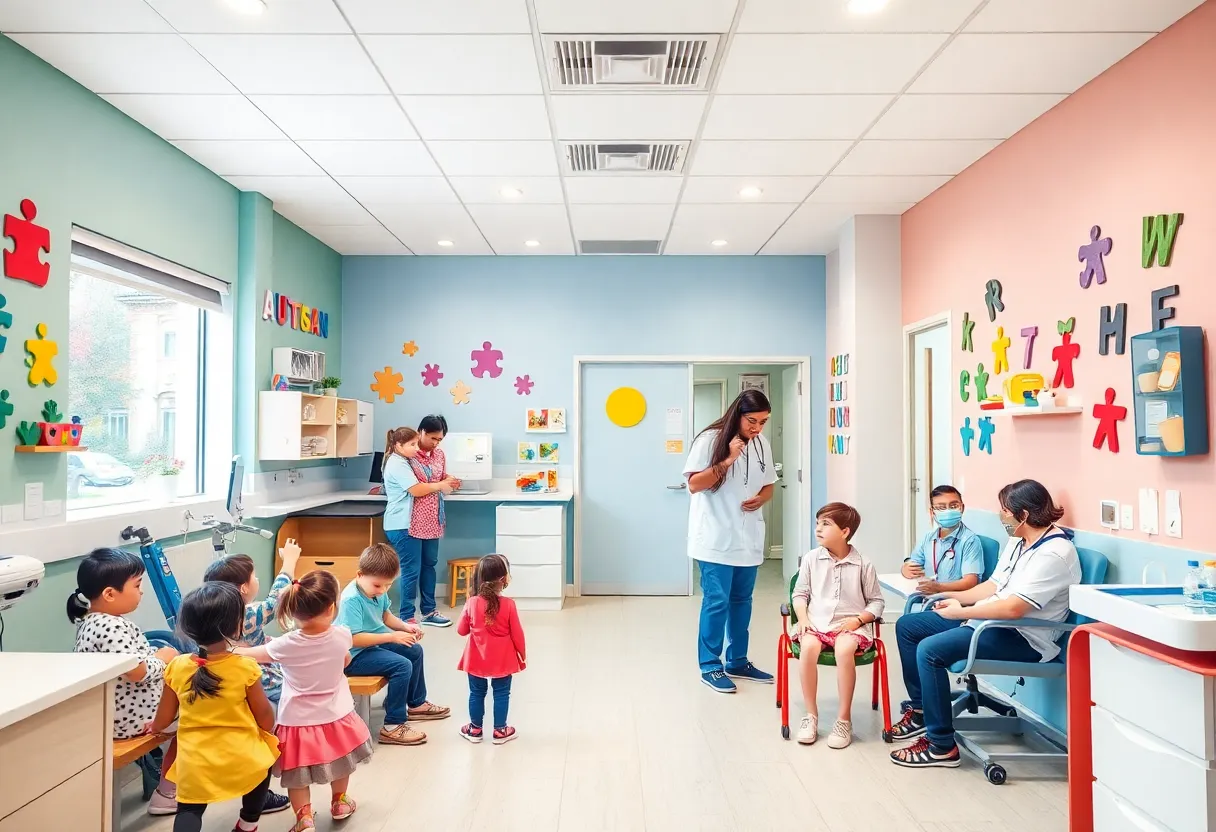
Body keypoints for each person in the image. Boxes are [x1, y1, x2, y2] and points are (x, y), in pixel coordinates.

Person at [889, 479, 1081, 769]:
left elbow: (1014, 608)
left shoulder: (1054, 554)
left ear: (1023, 515)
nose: (1000, 515)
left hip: (1022, 636)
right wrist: (950, 597)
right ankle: (921, 712)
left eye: (1004, 510)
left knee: (930, 650)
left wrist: (960, 614)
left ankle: (941, 746)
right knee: (908, 627)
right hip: (990, 621)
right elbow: (992, 586)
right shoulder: (1019, 541)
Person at [239, 570, 373, 832]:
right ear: (331, 607)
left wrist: (231, 651)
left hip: (297, 721)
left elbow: (253, 655)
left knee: (297, 775)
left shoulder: (285, 644)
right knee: (341, 761)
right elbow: (345, 660)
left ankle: (304, 818)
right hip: (337, 715)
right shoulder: (342, 635)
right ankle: (340, 802)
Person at [148, 582, 279, 832]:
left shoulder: (177, 666)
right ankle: (247, 824)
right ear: (237, 625)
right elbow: (265, 718)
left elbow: (163, 720)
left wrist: (153, 727)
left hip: (195, 761)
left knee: (189, 810)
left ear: (188, 627)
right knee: (264, 761)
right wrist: (267, 731)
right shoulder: (245, 667)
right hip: (241, 756)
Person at [69, 548, 180, 815]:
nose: (141, 592)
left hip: (115, 714)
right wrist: (163, 658)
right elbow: (136, 672)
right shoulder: (110, 627)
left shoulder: (94, 622)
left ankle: (162, 778)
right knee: (195, 720)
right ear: (110, 594)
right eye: (137, 585)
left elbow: (132, 661)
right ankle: (168, 792)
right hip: (128, 721)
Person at [684, 388, 778, 693]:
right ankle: (710, 666)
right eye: (752, 421)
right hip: (715, 538)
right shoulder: (710, 440)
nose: (757, 428)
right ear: (738, 414)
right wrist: (727, 460)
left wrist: (761, 499)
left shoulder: (761, 444)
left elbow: (769, 485)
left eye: (763, 422)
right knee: (716, 602)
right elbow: (694, 484)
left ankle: (737, 660)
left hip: (748, 538)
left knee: (742, 602)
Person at [791, 502, 884, 749]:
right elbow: (799, 594)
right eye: (817, 523)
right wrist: (803, 619)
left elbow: (876, 602)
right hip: (815, 623)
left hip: (850, 626)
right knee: (808, 647)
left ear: (845, 532)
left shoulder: (863, 563)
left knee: (844, 650)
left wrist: (858, 620)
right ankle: (810, 715)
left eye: (826, 524)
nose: (818, 529)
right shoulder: (811, 559)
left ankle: (844, 720)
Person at [338, 543, 451, 746]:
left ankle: (416, 704)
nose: (382, 590)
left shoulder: (377, 590)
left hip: (372, 645)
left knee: (414, 650)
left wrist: (406, 627)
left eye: (388, 586)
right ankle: (393, 725)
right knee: (402, 665)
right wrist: (392, 637)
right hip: (353, 656)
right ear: (359, 575)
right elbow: (354, 639)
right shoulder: (351, 599)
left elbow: (386, 616)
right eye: (378, 586)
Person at [203, 538, 303, 704]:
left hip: (227, 677)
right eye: (254, 577)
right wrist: (289, 561)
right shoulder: (245, 615)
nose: (257, 579)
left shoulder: (209, 613)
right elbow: (276, 600)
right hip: (263, 683)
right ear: (244, 588)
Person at [393, 416, 461, 627]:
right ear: (421, 431)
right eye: (433, 438)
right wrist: (440, 484)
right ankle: (407, 615)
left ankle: (429, 611)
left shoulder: (439, 454)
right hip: (412, 519)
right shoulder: (407, 456)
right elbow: (416, 488)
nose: (436, 443)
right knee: (411, 569)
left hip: (433, 518)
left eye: (440, 439)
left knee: (429, 565)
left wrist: (450, 480)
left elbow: (439, 477)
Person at [456, 554, 526, 745]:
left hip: (476, 658)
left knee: (476, 693)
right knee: (502, 693)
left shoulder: (472, 602)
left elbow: (461, 630)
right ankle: (500, 730)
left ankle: (475, 729)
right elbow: (517, 634)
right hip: (503, 659)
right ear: (503, 579)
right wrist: (522, 655)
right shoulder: (509, 604)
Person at [901, 485, 985, 595]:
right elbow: (913, 564)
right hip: (929, 595)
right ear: (932, 512)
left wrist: (939, 588)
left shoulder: (970, 540)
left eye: (953, 506)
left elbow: (970, 581)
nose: (948, 511)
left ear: (962, 508)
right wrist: (905, 569)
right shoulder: (928, 538)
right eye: (941, 507)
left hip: (955, 599)